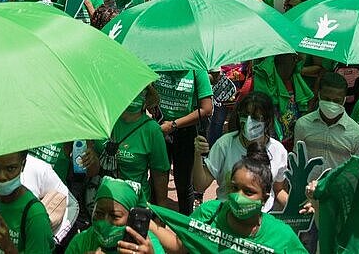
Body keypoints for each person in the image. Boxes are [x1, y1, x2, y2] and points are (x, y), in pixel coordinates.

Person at [158, 147, 306, 254]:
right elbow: (180, 246)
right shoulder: (209, 213)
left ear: (264, 198)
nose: (238, 197)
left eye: (249, 192)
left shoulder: (282, 236)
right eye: (234, 188)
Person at [193, 91, 288, 212]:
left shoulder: (278, 150)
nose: (249, 121)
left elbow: (278, 190)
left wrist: (296, 209)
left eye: (255, 117)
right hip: (227, 214)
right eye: (244, 115)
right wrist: (197, 155)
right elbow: (199, 185)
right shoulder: (225, 144)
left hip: (262, 218)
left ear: (268, 120)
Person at [83, 88, 171, 207]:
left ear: (146, 98)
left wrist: (161, 210)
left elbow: (160, 174)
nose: (134, 95)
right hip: (101, 203)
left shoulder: (152, 130)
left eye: (141, 91)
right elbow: (92, 172)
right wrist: (92, 158)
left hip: (134, 204)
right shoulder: (103, 121)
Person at [0, 151, 55, 253]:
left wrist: (9, 247)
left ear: (23, 164)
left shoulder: (35, 215)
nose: (1, 176)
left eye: (10, 168)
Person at [152, 68, 211, 214]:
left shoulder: (197, 70)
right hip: (159, 131)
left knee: (183, 184)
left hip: (186, 134)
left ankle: (186, 225)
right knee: (156, 181)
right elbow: (147, 94)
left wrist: (174, 124)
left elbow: (207, 109)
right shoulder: (157, 64)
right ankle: (155, 224)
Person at [293, 72, 359, 177]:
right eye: (327, 99)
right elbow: (296, 160)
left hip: (338, 191)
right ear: (319, 95)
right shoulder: (302, 125)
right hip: (306, 189)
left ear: (344, 100)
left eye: (337, 101)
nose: (331, 104)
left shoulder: (358, 135)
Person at [64, 177, 163, 254]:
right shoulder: (81, 242)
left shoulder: (147, 245)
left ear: (130, 218)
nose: (105, 221)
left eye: (115, 216)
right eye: (99, 213)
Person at [251, 53, 314, 149]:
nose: (296, 61)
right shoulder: (259, 83)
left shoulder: (296, 80)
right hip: (267, 146)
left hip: (292, 144)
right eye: (293, 58)